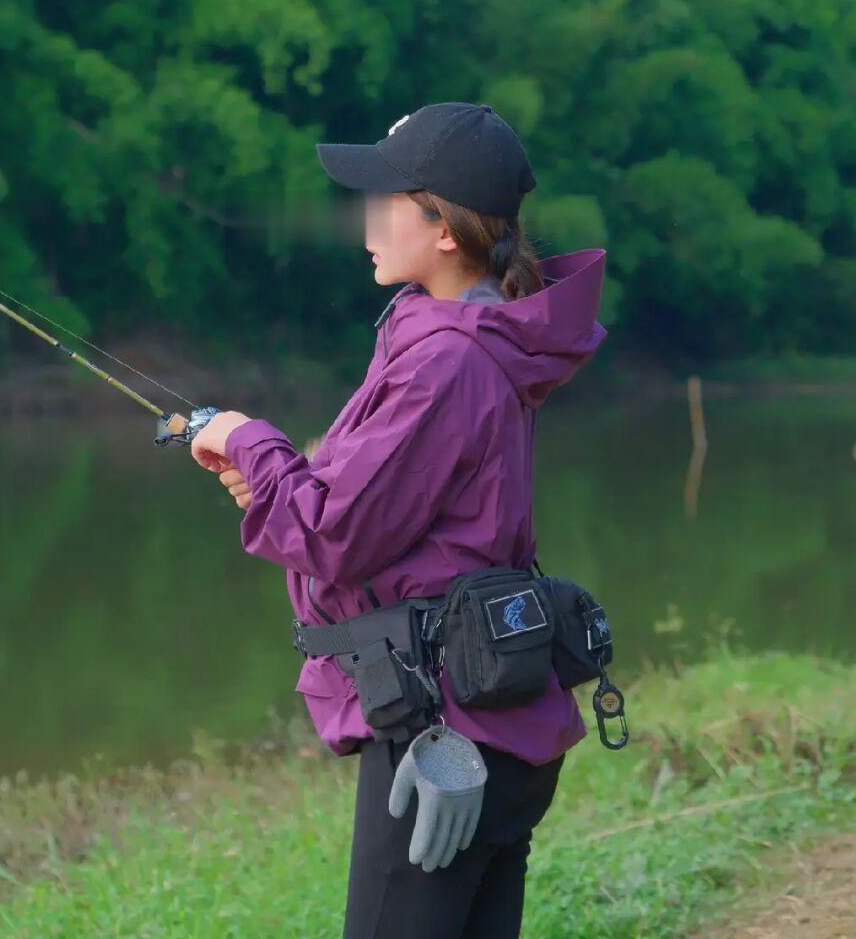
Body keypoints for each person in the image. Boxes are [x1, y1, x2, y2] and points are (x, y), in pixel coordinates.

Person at [190, 101, 609, 939]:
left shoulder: (448, 358)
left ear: (443, 228)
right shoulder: (475, 338)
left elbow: (329, 538)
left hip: (442, 733)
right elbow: (375, 510)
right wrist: (280, 481)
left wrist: (247, 438)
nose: (367, 218)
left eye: (387, 198)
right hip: (492, 717)